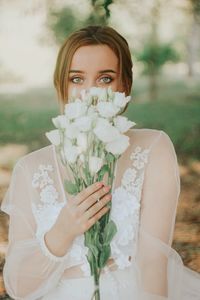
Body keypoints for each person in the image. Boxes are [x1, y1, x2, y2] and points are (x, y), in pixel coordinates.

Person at [1, 25, 200, 300]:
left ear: (125, 86)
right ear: (61, 84)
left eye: (105, 79)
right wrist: (62, 232)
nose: (90, 93)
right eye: (76, 79)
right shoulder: (30, 169)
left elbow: (154, 264)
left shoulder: (154, 149)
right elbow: (19, 289)